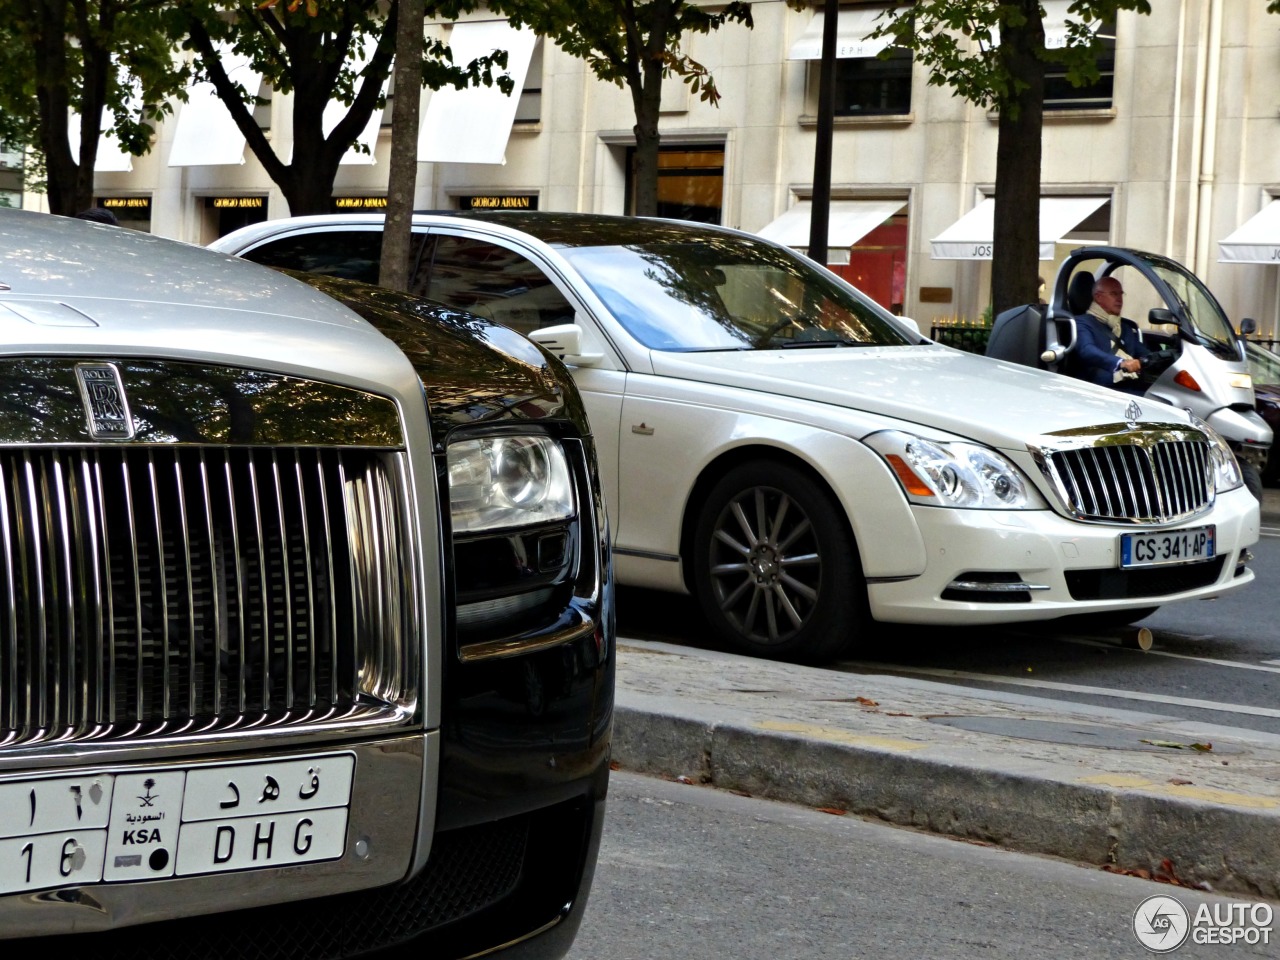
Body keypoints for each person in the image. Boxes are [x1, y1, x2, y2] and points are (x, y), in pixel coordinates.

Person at [1072, 276, 1152, 394]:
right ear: (1098, 297)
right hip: (1099, 390)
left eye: (1121, 294)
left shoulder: (1125, 327)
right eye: (1114, 294)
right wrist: (1120, 363)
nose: (1119, 299)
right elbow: (1087, 350)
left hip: (1130, 386)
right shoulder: (1082, 322)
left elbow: (1144, 353)